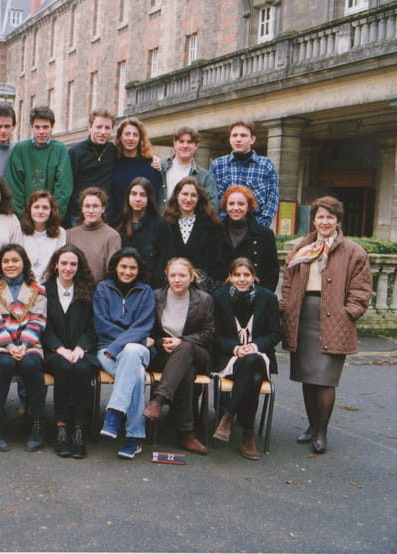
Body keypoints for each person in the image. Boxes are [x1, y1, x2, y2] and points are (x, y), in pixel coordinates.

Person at [281, 196, 372, 454]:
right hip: (304, 317)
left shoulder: (353, 251)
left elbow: (362, 288)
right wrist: (286, 307)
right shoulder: (302, 249)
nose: (324, 222)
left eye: (330, 217)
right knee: (308, 377)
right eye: (320, 217)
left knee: (325, 379)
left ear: (337, 220)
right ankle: (311, 426)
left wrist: (349, 312)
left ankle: (322, 432)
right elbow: (287, 282)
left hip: (334, 318)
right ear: (313, 220)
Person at [212, 257, 281, 460]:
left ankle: (228, 416)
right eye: (237, 275)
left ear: (254, 277)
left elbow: (276, 333)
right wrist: (234, 348)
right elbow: (214, 335)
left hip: (259, 356)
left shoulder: (268, 297)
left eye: (246, 275)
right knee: (253, 375)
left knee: (252, 361)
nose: (242, 279)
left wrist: (255, 346)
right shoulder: (219, 297)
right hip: (230, 358)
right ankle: (247, 433)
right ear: (230, 277)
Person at [143, 258, 214, 455]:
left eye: (182, 275)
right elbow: (151, 330)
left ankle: (158, 401)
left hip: (198, 353)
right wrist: (161, 343)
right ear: (167, 276)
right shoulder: (156, 297)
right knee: (186, 371)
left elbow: (208, 333)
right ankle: (186, 434)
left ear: (191, 277)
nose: (177, 279)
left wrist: (181, 340)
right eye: (173, 275)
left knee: (185, 349)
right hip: (166, 354)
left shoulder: (204, 299)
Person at [0, 244, 48, 452]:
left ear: (24, 263)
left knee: (31, 364)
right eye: (6, 261)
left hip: (29, 342)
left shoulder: (38, 289)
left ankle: (37, 422)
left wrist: (25, 345)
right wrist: (10, 345)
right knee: (4, 363)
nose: (10, 265)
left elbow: (38, 320)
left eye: (15, 260)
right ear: (0, 264)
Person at [94, 247, 155, 459]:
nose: (127, 271)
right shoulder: (103, 288)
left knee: (131, 350)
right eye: (123, 267)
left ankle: (115, 412)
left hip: (137, 349)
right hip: (107, 349)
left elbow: (144, 325)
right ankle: (135, 436)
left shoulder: (146, 291)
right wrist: (122, 344)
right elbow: (101, 324)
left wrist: (125, 343)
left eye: (132, 268)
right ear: (115, 267)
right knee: (137, 375)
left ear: (139, 270)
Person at [42, 245, 98, 459]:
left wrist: (80, 348)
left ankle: (79, 429)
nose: (68, 268)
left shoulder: (87, 291)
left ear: (79, 266)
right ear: (56, 265)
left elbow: (92, 328)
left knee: (83, 369)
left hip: (80, 349)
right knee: (64, 368)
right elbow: (42, 326)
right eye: (64, 263)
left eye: (73, 264)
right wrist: (59, 349)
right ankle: (61, 427)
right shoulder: (43, 290)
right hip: (52, 350)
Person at [5, 105, 73, 220]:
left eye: (45, 127)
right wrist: (23, 218)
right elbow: (14, 188)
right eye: (37, 127)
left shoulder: (60, 150)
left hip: (51, 219)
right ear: (31, 128)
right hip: (24, 220)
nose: (41, 131)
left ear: (52, 127)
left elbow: (63, 188)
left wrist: (53, 217)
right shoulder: (20, 150)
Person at [210, 120, 279, 226]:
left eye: (243, 135)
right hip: (223, 226)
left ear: (252, 140)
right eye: (234, 135)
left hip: (256, 225)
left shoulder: (266, 165)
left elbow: (272, 198)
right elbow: (211, 200)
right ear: (230, 139)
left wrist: (262, 226)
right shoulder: (218, 165)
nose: (238, 139)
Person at [163, 176, 223, 291]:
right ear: (177, 195)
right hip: (171, 288)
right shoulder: (165, 225)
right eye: (185, 194)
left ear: (199, 198)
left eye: (193, 195)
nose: (188, 199)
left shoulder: (212, 226)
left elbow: (216, 262)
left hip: (202, 290)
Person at [215, 185, 279, 292]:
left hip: (256, 295)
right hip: (222, 296)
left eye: (241, 204)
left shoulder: (265, 235)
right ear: (225, 206)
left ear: (248, 206)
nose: (236, 208)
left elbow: (271, 271)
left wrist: (263, 297)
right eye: (231, 204)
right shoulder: (215, 233)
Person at [115, 177, 174, 289]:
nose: (138, 199)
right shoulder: (119, 224)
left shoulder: (160, 225)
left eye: (143, 195)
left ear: (149, 198)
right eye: (134, 194)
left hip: (151, 287)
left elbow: (165, 260)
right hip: (122, 287)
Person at [67, 109, 116, 225]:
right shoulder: (75, 152)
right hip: (79, 217)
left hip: (106, 217)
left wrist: (154, 159)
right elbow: (68, 186)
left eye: (107, 128)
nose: (103, 132)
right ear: (90, 127)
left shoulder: (113, 151)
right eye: (99, 127)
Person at [156, 126, 218, 213]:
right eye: (181, 141)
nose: (185, 146)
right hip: (161, 220)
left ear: (196, 145)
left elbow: (212, 208)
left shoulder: (205, 177)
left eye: (189, 142)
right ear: (174, 143)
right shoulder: (159, 167)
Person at [66, 187, 121, 283]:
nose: (91, 210)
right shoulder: (70, 234)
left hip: (100, 289)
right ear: (82, 209)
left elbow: (112, 272)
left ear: (103, 209)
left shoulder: (112, 236)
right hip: (73, 288)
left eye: (95, 206)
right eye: (87, 206)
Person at [112, 118, 162, 219]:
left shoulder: (151, 165)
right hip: (116, 222)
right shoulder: (112, 162)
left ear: (140, 139)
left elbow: (154, 199)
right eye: (127, 134)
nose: (131, 138)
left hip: (142, 223)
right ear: (120, 137)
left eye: (135, 135)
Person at [20, 190, 67, 283]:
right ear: (29, 209)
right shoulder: (20, 231)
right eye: (36, 207)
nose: (40, 211)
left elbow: (59, 261)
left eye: (45, 208)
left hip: (50, 282)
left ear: (51, 211)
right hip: (25, 283)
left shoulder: (60, 232)